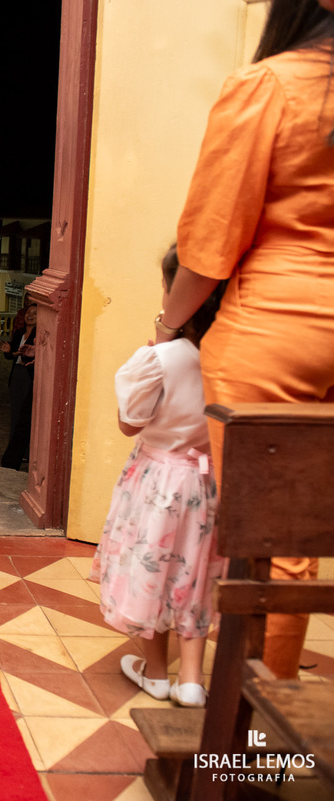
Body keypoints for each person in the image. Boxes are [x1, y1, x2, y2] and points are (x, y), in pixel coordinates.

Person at [155, 0, 334, 679]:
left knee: (271, 541)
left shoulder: (270, 85)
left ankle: (247, 734)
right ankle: (268, 720)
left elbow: (208, 244)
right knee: (306, 536)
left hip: (277, 331)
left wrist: (169, 323)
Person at [93, 245, 224, 708]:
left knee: (154, 566)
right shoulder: (227, 356)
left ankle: (156, 673)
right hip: (206, 481)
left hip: (157, 478)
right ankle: (191, 680)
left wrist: (158, 344)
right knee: (192, 571)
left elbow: (130, 422)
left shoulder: (161, 359)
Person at [1, 303, 38, 469]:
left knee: (28, 414)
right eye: (28, 312)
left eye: (34, 313)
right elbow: (11, 355)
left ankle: (27, 452)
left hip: (29, 375)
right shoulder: (18, 333)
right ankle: (16, 450)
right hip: (16, 374)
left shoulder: (39, 335)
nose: (30, 315)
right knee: (15, 412)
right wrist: (8, 351)